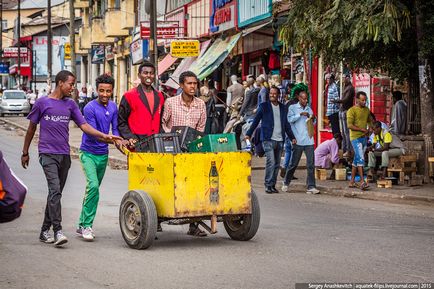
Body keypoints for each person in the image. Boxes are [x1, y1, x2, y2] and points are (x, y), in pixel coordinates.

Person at [21, 70, 121, 247]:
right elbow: (31, 129)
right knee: (55, 190)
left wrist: (105, 137)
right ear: (60, 83)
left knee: (55, 193)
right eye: (71, 84)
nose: (73, 87)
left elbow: (84, 126)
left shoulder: (71, 104)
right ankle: (58, 231)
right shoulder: (42, 103)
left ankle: (45, 230)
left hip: (64, 155)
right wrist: (25, 152)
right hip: (47, 153)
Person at [76, 74, 125, 241]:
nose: (105, 94)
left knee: (92, 191)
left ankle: (81, 223)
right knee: (94, 186)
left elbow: (116, 129)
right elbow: (94, 133)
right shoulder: (89, 108)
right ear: (97, 90)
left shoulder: (113, 107)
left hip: (103, 155)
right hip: (88, 153)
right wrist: (110, 139)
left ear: (112, 91)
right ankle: (87, 226)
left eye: (108, 91)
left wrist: (120, 143)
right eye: (102, 91)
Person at [161, 70, 207, 237]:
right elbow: (164, 123)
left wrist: (194, 143)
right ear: (181, 85)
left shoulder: (201, 104)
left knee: (194, 185)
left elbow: (201, 127)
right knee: (172, 184)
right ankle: (160, 217)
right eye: (189, 83)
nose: (193, 86)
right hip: (172, 150)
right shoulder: (170, 103)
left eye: (195, 83)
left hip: (193, 151)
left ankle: (193, 225)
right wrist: (172, 139)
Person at [245, 86, 295, 193]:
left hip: (280, 139)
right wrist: (249, 133)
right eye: (270, 93)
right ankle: (268, 184)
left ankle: (272, 184)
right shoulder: (263, 106)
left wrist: (292, 137)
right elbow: (255, 121)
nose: (272, 95)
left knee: (277, 164)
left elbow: (286, 125)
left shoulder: (283, 108)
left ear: (278, 95)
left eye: (274, 93)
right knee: (271, 162)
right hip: (268, 139)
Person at [118, 61, 165, 147]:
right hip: (137, 142)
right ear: (139, 75)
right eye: (145, 73)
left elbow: (161, 119)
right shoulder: (129, 95)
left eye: (151, 73)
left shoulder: (160, 96)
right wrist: (130, 137)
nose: (148, 76)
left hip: (156, 142)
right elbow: (121, 121)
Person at [282, 91, 320, 194]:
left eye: (306, 99)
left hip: (309, 140)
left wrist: (313, 118)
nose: (305, 100)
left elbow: (314, 123)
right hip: (298, 140)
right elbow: (289, 120)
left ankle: (311, 186)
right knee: (293, 164)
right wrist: (300, 114)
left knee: (311, 164)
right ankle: (286, 182)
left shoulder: (309, 108)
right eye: (303, 98)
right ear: (299, 98)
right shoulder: (292, 108)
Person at [347, 91, 373, 190]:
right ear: (357, 100)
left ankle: (352, 181)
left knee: (356, 160)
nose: (364, 102)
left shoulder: (366, 110)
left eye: (365, 100)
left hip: (364, 137)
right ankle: (362, 181)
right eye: (362, 100)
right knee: (361, 159)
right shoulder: (351, 110)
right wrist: (361, 129)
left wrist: (370, 128)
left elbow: (370, 121)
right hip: (355, 138)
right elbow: (349, 125)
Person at [336, 74, 355, 156]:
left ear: (348, 78)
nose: (343, 79)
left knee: (347, 132)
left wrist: (337, 101)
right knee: (343, 132)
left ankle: (348, 150)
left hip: (346, 111)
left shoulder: (350, 88)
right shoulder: (345, 86)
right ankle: (344, 149)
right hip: (342, 110)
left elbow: (346, 99)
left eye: (344, 78)